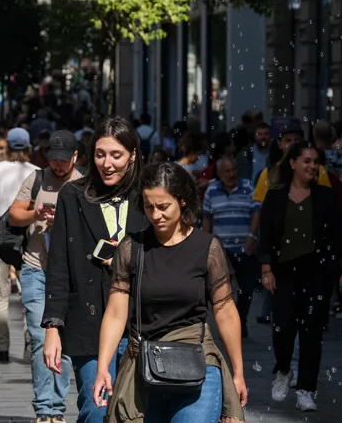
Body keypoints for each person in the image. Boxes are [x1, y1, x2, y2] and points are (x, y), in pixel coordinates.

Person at [94, 162, 247, 423]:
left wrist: (238, 371)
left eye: (163, 206)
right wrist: (103, 367)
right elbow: (116, 313)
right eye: (149, 206)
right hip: (144, 364)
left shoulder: (207, 247)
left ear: (183, 201)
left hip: (197, 361)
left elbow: (225, 311)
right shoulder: (132, 247)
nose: (156, 215)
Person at [42, 117, 148, 423]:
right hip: (88, 321)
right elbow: (59, 263)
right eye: (100, 154)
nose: (107, 163)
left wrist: (128, 260)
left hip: (140, 321)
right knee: (95, 407)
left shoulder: (147, 195)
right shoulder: (73, 195)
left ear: (132, 155)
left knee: (135, 411)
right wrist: (52, 326)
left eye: (116, 155)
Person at [259, 140, 342, 411]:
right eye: (306, 160)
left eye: (315, 161)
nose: (312, 166)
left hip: (316, 273)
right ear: (292, 163)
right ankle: (283, 370)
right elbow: (267, 235)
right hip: (284, 272)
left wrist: (337, 271)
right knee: (282, 329)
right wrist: (266, 268)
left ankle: (306, 389)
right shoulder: (276, 195)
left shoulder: (325, 197)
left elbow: (335, 238)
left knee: (311, 332)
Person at [8, 130, 81, 423]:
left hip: (69, 273)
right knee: (40, 336)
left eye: (64, 160)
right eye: (54, 159)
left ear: (75, 157)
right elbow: (14, 215)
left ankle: (57, 407)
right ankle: (45, 408)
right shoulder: (37, 179)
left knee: (60, 338)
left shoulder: (83, 183)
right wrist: (36, 214)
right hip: (35, 267)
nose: (59, 165)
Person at [0, 128, 39, 362]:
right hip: (29, 241)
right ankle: (29, 338)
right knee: (30, 293)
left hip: (0, 239)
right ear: (28, 148)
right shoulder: (37, 172)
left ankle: (2, 347)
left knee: (0, 293)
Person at [201, 156, 259, 338]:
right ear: (219, 174)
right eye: (227, 171)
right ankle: (227, 324)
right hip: (222, 250)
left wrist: (252, 236)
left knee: (246, 289)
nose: (231, 174)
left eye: (233, 169)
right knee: (222, 290)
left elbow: (256, 213)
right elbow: (207, 218)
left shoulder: (248, 187)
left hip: (245, 248)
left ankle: (241, 321)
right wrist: (206, 244)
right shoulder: (212, 190)